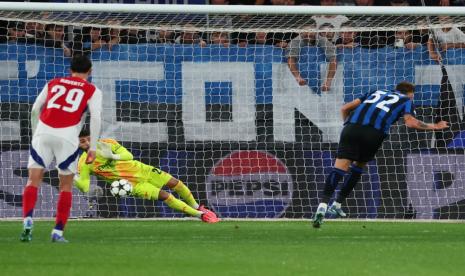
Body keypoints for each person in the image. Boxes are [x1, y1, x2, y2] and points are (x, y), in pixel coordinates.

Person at [312, 81, 449, 228]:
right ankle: (338, 203)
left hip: (350, 128)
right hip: (373, 133)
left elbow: (345, 108)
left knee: (339, 169)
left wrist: (348, 126)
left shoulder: (375, 92)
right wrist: (435, 126)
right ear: (410, 94)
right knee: (358, 166)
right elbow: (410, 122)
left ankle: (322, 206)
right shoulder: (406, 100)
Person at [20, 55, 102, 242]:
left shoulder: (53, 83)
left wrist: (36, 135)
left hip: (43, 132)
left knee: (33, 180)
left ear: (70, 70)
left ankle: (27, 221)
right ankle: (57, 232)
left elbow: (35, 109)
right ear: (90, 71)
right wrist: (93, 147)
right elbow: (96, 118)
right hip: (67, 137)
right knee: (65, 185)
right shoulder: (92, 89)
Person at [74, 130, 220, 224]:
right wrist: (73, 178)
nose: (87, 143)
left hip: (143, 170)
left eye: (89, 139)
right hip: (132, 184)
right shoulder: (85, 163)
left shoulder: (108, 144)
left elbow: (128, 155)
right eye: (82, 141)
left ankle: (196, 206)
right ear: (79, 144)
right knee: (166, 196)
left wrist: (112, 155)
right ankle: (200, 215)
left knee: (177, 183)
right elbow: (85, 185)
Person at [287, 20, 337, 91]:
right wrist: (297, 77)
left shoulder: (323, 40)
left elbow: (333, 59)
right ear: (301, 32)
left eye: (311, 31)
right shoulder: (295, 42)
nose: (309, 34)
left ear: (316, 31)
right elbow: (291, 59)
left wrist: (328, 81)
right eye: (306, 32)